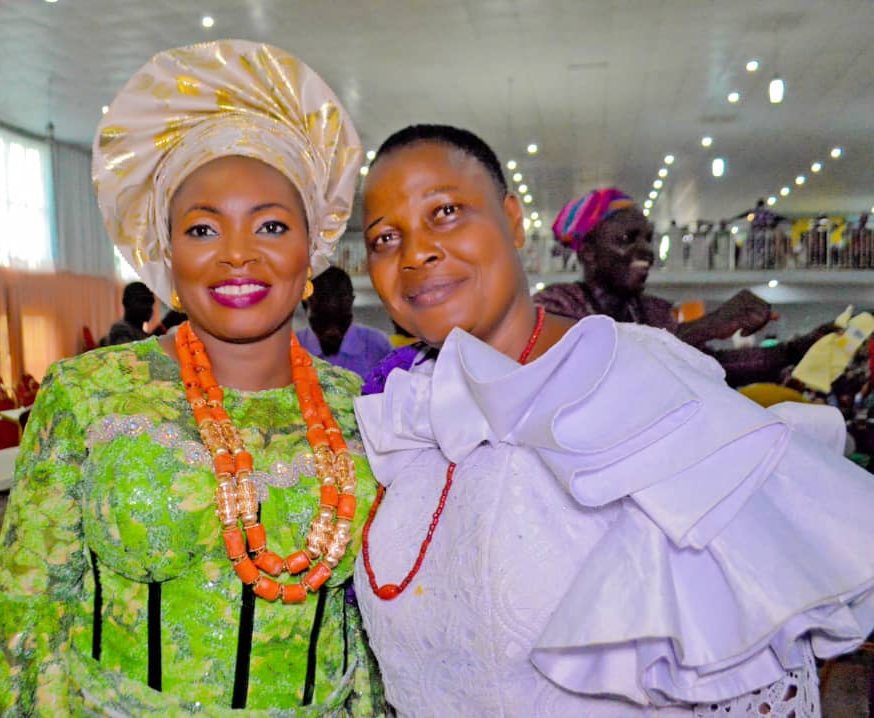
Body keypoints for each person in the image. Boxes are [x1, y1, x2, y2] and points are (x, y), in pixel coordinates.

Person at [0, 40, 383, 716]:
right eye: (202, 229)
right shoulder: (88, 395)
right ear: (164, 249)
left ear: (312, 247)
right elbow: (22, 609)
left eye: (272, 225)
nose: (237, 256)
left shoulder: (366, 410)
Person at [352, 123, 874, 717]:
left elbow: (747, 686)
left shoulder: (641, 385)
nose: (415, 251)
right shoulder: (406, 410)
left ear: (514, 219)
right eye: (384, 237)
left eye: (445, 211)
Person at [535, 188, 831, 387]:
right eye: (627, 239)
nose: (646, 250)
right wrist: (705, 327)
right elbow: (601, 374)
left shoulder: (654, 310)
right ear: (588, 252)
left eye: (648, 239)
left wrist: (797, 349)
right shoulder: (556, 306)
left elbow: (712, 367)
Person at [296, 267, 392, 379]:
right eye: (323, 317)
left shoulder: (377, 346)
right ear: (306, 305)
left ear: (351, 303)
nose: (332, 331)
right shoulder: (290, 349)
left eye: (340, 317)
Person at [102, 281, 158, 346]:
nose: (149, 307)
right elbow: (131, 353)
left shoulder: (141, 333)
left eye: (151, 303)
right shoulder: (121, 330)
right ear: (126, 302)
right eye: (143, 301)